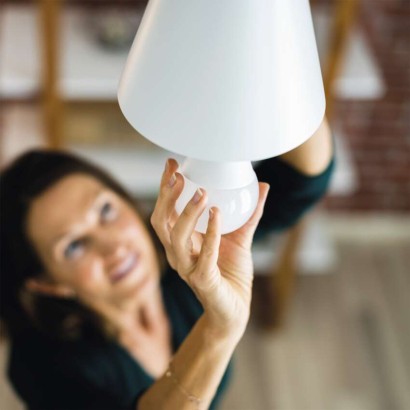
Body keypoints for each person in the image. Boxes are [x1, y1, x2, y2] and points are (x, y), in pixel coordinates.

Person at [0, 119, 334, 409]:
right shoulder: (40, 365)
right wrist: (219, 329)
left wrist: (286, 85)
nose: (114, 246)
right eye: (73, 246)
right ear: (47, 283)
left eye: (105, 210)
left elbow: (301, 180)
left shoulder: (186, 247)